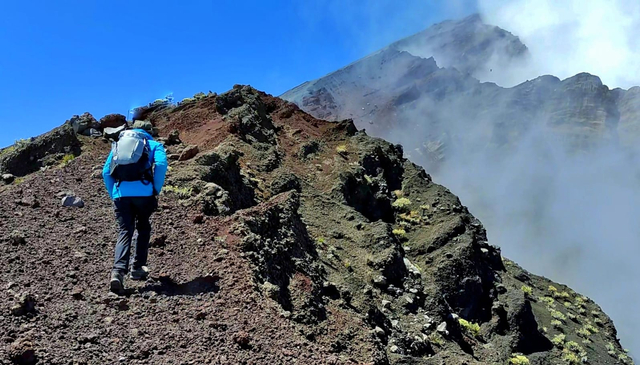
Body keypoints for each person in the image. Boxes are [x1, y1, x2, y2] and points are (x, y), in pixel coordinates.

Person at [102, 125, 168, 293]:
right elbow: (160, 164)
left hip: (121, 195)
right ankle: (137, 268)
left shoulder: (117, 144)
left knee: (125, 230)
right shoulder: (153, 145)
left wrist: (114, 194)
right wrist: (155, 189)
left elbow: (106, 172)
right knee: (143, 226)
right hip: (145, 194)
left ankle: (117, 272)